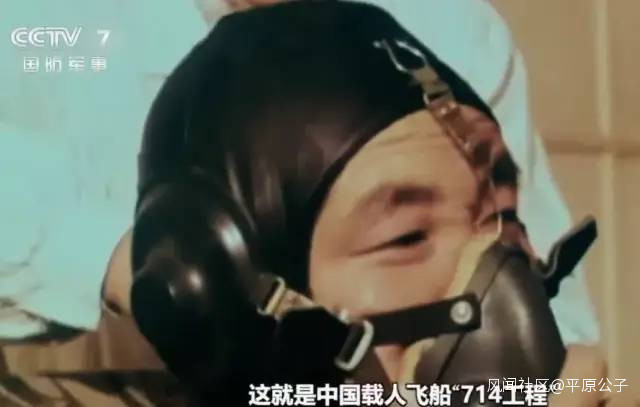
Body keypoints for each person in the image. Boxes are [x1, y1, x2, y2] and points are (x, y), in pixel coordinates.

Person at [128, 2, 606, 405]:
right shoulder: (98, 41)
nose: (513, 305)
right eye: (408, 237)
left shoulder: (456, 24)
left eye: (505, 222)